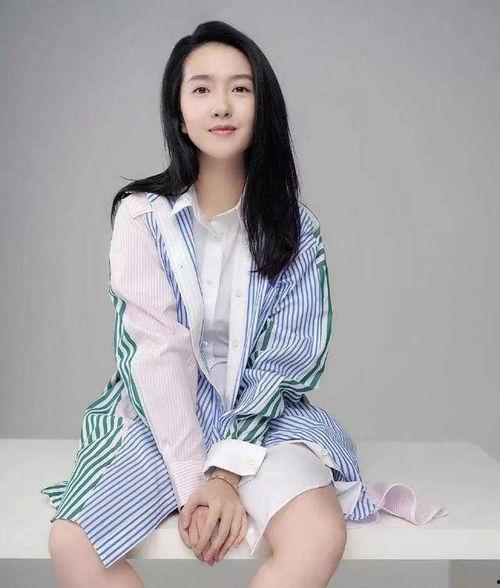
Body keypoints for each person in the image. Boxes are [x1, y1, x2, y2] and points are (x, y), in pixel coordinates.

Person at [41, 20, 434, 588]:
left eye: (240, 88)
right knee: (75, 542)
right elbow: (157, 350)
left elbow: (288, 356)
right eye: (201, 88)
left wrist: (225, 474)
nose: (221, 105)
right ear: (179, 113)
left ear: (261, 106)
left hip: (263, 416)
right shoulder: (142, 216)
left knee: (318, 533)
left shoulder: (297, 228)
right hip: (160, 415)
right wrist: (193, 485)